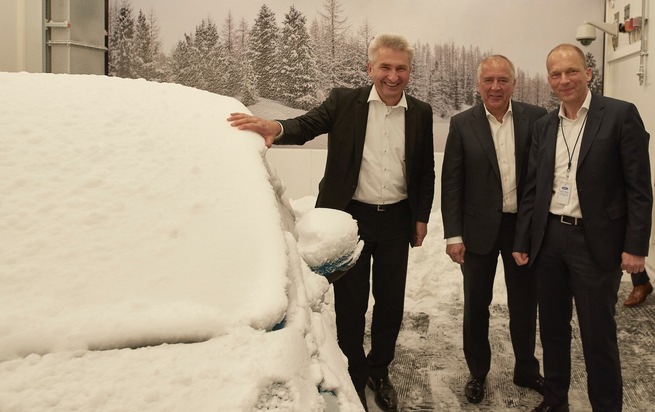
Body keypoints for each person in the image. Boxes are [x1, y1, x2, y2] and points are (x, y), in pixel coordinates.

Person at [228, 33, 435, 412]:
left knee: (390, 303)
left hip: (396, 222)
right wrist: (275, 127)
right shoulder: (345, 102)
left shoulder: (419, 112)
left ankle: (380, 370)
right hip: (349, 220)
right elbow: (307, 124)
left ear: (409, 71)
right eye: (385, 67)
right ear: (370, 68)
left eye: (400, 68)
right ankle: (355, 371)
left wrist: (421, 216)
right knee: (352, 304)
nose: (392, 76)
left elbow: (425, 170)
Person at [512, 44, 652, 412]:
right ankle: (555, 402)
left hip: (596, 243)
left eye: (571, 71)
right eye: (556, 74)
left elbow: (639, 187)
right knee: (554, 333)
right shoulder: (545, 125)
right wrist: (524, 238)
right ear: (549, 80)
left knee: (598, 336)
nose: (564, 80)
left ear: (588, 72)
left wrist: (636, 246)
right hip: (550, 241)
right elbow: (532, 188)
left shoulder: (620, 115)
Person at [441, 55, 546, 404]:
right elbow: (452, 183)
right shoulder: (461, 124)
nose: (496, 87)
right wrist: (453, 235)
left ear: (514, 83)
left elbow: (543, 178)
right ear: (478, 84)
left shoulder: (537, 119)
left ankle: (526, 369)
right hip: (477, 231)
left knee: (524, 302)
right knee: (476, 306)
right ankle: (478, 372)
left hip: (522, 228)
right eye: (489, 80)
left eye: (503, 80)